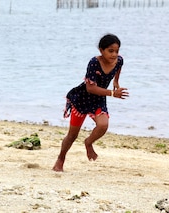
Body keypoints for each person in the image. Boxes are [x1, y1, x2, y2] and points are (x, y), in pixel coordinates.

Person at [53, 34, 129, 172]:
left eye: (117, 51)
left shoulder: (119, 61)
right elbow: (90, 88)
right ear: (101, 50)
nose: (114, 54)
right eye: (110, 51)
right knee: (72, 135)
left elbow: (117, 70)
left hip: (99, 99)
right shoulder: (94, 63)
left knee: (103, 125)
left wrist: (116, 82)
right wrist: (112, 93)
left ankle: (88, 142)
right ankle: (60, 159)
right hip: (82, 99)